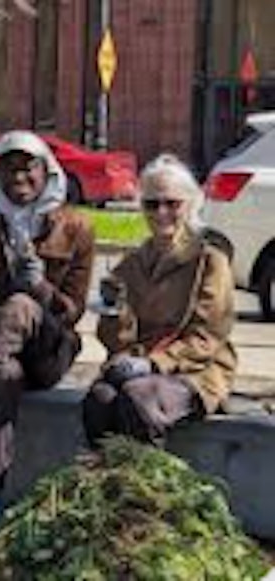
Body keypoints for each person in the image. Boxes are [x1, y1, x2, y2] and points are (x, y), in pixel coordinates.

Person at [0, 130, 95, 530]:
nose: (19, 176)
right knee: (2, 375)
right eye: (10, 167)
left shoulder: (76, 227)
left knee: (22, 303)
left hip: (49, 349)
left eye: (28, 166)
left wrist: (38, 288)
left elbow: (72, 312)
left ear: (47, 171)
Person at [83, 154, 237, 447]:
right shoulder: (130, 265)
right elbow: (115, 341)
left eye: (172, 203)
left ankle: (148, 485)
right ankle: (106, 483)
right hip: (141, 368)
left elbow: (208, 337)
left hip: (197, 370)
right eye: (151, 204)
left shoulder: (209, 261)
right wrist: (113, 314)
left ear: (190, 204)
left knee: (139, 398)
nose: (161, 213)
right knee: (99, 399)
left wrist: (154, 364)